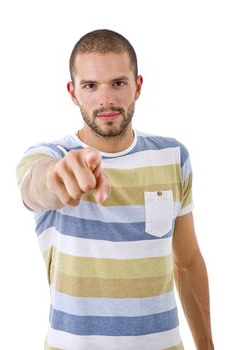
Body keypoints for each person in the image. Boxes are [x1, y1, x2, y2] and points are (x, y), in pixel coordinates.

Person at [16, 29, 214, 350]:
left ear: (138, 86)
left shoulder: (174, 157)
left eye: (118, 83)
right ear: (73, 92)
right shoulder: (50, 157)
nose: (106, 100)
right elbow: (34, 187)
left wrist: (207, 345)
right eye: (91, 86)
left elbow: (188, 262)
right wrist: (57, 177)